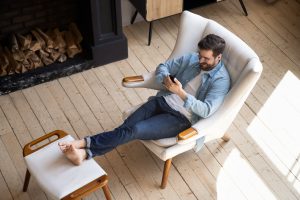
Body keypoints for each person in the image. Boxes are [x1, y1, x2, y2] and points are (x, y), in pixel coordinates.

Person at [58, 34, 231, 165]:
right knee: (125, 128)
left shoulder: (221, 80)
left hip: (181, 118)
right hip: (162, 101)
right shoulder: (193, 58)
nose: (200, 60)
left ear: (218, 57)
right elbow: (163, 67)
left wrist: (180, 93)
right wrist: (166, 79)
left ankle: (82, 146)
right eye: (200, 55)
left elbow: (207, 110)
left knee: (133, 130)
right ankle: (83, 152)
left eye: (206, 58)